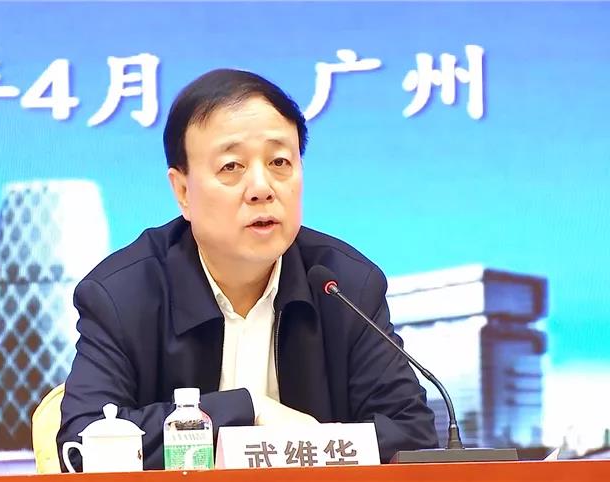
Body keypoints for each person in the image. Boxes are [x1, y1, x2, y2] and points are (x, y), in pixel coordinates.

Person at [57, 69, 438, 471]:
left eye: (279, 162)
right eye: (231, 167)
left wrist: (313, 444)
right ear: (183, 191)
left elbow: (413, 436)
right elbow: (83, 441)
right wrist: (247, 409)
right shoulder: (123, 295)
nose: (261, 188)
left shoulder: (344, 286)